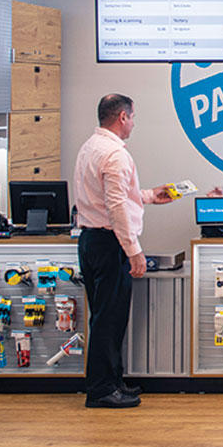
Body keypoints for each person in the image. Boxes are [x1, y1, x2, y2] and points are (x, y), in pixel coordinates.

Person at [73, 94, 171, 408]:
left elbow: (114, 196)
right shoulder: (115, 154)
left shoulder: (91, 147)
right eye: (133, 117)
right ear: (123, 118)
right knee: (108, 320)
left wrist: (151, 196)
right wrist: (134, 251)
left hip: (91, 241)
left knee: (105, 317)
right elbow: (115, 207)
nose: (133, 123)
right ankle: (102, 390)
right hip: (110, 243)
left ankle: (113, 381)